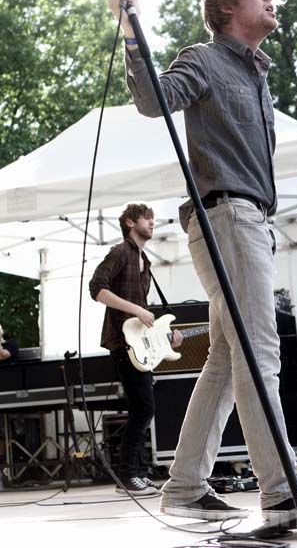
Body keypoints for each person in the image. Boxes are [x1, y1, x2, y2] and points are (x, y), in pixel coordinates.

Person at [108, 0, 297, 521]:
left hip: (247, 218)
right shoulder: (204, 59)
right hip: (226, 215)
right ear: (227, 9)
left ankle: (183, 486)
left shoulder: (257, 72)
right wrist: (131, 31)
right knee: (259, 353)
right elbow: (155, 99)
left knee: (229, 359)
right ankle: (282, 487)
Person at [89, 203, 182, 496]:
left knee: (142, 409)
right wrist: (137, 311)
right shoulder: (120, 252)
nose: (152, 222)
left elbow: (144, 316)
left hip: (138, 343)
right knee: (143, 408)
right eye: (147, 218)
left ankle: (137, 475)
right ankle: (129, 477)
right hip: (121, 342)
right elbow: (97, 288)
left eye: (153, 218)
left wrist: (165, 336)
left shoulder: (145, 261)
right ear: (130, 223)